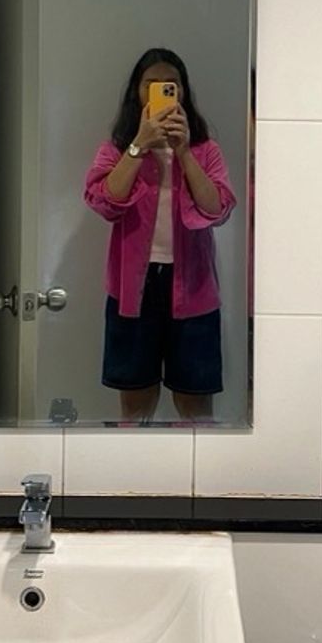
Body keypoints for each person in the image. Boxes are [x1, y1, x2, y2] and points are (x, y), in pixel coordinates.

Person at [84, 48, 235, 424]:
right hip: (133, 291)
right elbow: (104, 202)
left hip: (194, 290)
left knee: (196, 408)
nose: (163, 91)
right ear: (137, 92)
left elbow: (217, 209)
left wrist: (184, 153)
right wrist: (139, 145)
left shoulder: (205, 150)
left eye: (171, 85)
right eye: (151, 85)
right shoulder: (117, 149)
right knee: (135, 407)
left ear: (182, 92)